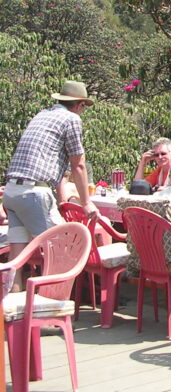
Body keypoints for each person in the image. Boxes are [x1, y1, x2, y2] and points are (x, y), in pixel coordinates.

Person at [4, 80, 100, 290]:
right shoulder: (71, 118)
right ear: (79, 104)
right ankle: (51, 309)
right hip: (33, 192)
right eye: (83, 106)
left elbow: (54, 163)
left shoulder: (42, 115)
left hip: (12, 191)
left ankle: (13, 310)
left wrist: (61, 198)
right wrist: (86, 203)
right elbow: (79, 165)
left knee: (17, 256)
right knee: (64, 249)